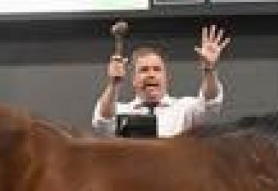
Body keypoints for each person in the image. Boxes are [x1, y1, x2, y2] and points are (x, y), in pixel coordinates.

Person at [90, 25, 229, 137]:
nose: (151, 74)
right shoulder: (121, 111)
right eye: (144, 70)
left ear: (165, 76)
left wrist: (209, 69)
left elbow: (210, 103)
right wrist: (114, 84)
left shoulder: (184, 109)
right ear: (133, 79)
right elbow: (103, 121)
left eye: (157, 69)